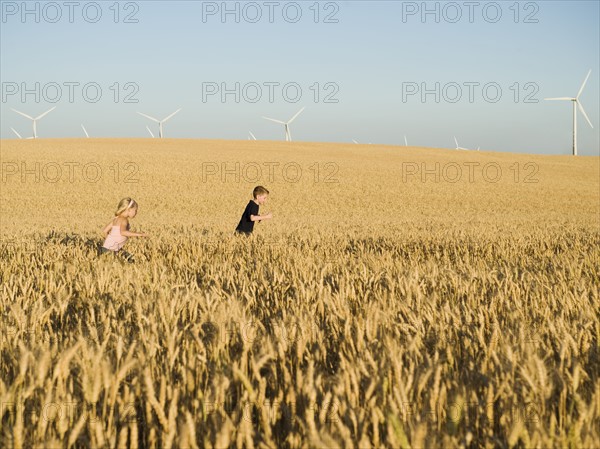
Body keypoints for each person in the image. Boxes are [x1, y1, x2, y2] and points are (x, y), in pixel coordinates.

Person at [100, 197, 148, 263]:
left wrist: (111, 242)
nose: (136, 213)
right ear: (129, 210)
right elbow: (123, 232)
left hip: (107, 248)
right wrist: (140, 234)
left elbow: (105, 231)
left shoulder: (116, 219)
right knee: (131, 260)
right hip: (112, 250)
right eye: (135, 210)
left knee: (127, 259)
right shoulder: (124, 220)